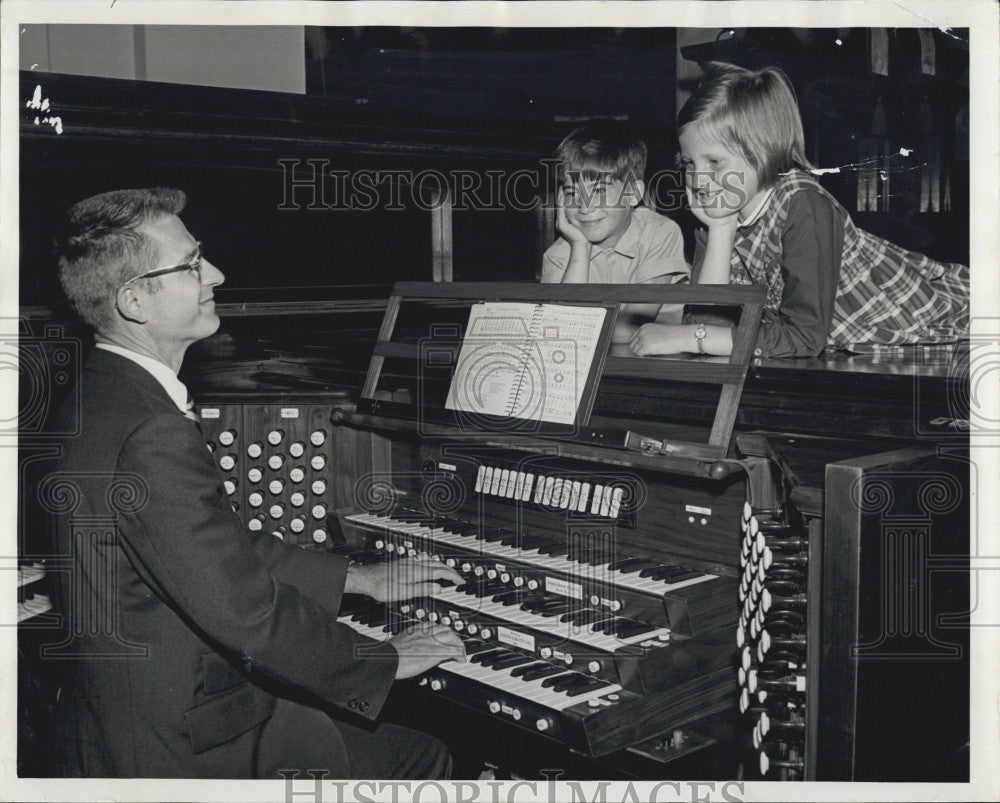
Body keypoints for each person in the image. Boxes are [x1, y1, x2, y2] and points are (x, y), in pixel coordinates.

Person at [45, 187, 467, 778]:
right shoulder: (151, 430)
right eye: (191, 265)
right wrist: (378, 657)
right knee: (420, 756)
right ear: (134, 299)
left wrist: (356, 578)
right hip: (181, 746)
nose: (215, 273)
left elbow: (211, 548)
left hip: (129, 711)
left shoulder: (104, 388)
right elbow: (246, 615)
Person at [628, 63, 969, 359]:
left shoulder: (804, 203)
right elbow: (707, 327)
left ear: (762, 150)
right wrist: (719, 233)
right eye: (689, 163)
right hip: (846, 345)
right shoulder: (716, 212)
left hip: (935, 320)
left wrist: (691, 338)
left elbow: (804, 337)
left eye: (714, 161)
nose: (699, 179)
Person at [541, 118, 690, 343]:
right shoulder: (559, 255)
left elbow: (633, 326)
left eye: (599, 190)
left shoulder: (659, 233)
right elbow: (560, 329)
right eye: (572, 193)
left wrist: (577, 330)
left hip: (666, 362)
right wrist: (580, 248)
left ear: (632, 194)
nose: (584, 206)